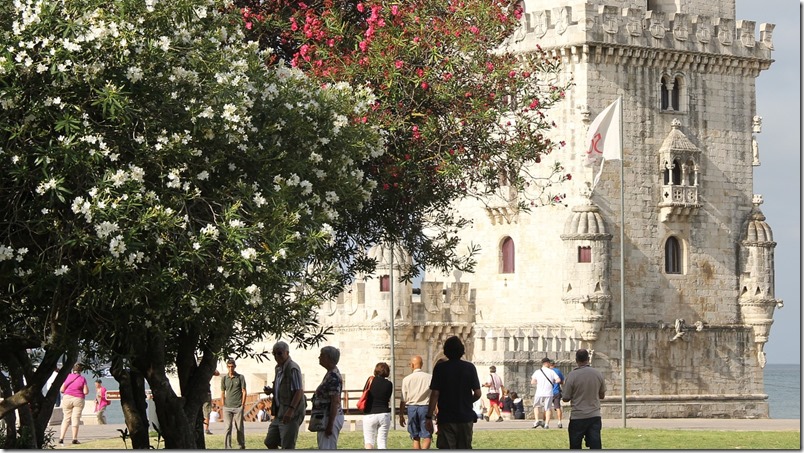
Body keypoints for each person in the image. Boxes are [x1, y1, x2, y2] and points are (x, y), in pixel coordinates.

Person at [425, 336, 481, 449]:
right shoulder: (470, 367)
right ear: (462, 350)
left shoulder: (440, 368)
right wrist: (467, 401)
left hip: (446, 417)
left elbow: (435, 394)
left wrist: (429, 416)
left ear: (446, 351)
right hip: (465, 417)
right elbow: (478, 393)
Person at [264, 341, 307, 449]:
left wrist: (291, 410)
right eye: (274, 354)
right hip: (280, 411)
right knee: (270, 441)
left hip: (291, 412)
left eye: (279, 353)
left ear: (287, 353)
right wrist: (272, 390)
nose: (277, 356)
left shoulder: (292, 368)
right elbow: (284, 387)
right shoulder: (278, 368)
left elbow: (299, 391)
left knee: (287, 446)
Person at [562, 349, 606, 449]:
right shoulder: (597, 374)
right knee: (595, 445)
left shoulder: (572, 376)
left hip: (578, 416)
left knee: (575, 446)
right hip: (594, 415)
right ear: (588, 359)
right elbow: (602, 395)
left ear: (576, 360)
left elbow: (565, 398)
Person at [399, 355, 432, 449]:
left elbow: (403, 399)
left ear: (412, 365)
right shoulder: (429, 377)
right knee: (427, 435)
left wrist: (401, 415)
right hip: (425, 408)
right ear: (422, 364)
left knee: (415, 436)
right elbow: (434, 395)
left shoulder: (406, 379)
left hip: (411, 408)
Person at [315, 346, 344, 449]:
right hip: (325, 417)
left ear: (329, 358)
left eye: (322, 355)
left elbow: (335, 401)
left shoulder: (333, 377)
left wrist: (330, 425)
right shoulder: (330, 374)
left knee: (327, 447)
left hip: (330, 417)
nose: (319, 357)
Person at [363, 362, 393, 449]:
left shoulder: (370, 380)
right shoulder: (389, 384)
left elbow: (365, 393)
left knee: (369, 441)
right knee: (382, 442)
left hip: (370, 413)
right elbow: (388, 398)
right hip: (384, 414)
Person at [59, 363, 89, 445]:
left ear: (73, 370)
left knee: (66, 418)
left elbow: (62, 389)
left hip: (67, 398)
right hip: (78, 399)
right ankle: (74, 439)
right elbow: (85, 392)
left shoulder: (68, 377)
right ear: (81, 371)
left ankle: (61, 438)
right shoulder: (82, 379)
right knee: (75, 418)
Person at [221, 358, 247, 449]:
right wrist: (223, 404)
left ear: (235, 367)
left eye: (232, 366)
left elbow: (244, 391)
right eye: (229, 367)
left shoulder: (240, 377)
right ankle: (228, 447)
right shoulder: (224, 378)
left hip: (238, 406)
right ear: (227, 367)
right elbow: (222, 392)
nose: (230, 368)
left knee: (239, 428)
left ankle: (241, 446)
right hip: (227, 407)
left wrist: (242, 405)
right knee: (227, 427)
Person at [531, 357, 559, 429]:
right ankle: (546, 424)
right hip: (549, 392)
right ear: (547, 363)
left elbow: (533, 382)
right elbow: (558, 380)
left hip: (539, 392)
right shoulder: (552, 372)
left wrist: (539, 383)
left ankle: (537, 420)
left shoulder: (537, 372)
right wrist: (553, 382)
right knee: (548, 408)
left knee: (536, 406)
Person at [549, 359, 565, 429]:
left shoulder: (547, 371)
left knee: (547, 408)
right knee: (558, 407)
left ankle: (546, 422)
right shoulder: (558, 371)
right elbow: (562, 381)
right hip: (556, 391)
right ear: (554, 364)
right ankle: (559, 422)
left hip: (548, 392)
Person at [204, 369, 221, 435]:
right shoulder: (207, 367)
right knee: (207, 411)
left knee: (206, 411)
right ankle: (206, 429)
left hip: (199, 391)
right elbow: (217, 373)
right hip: (206, 391)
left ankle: (205, 428)